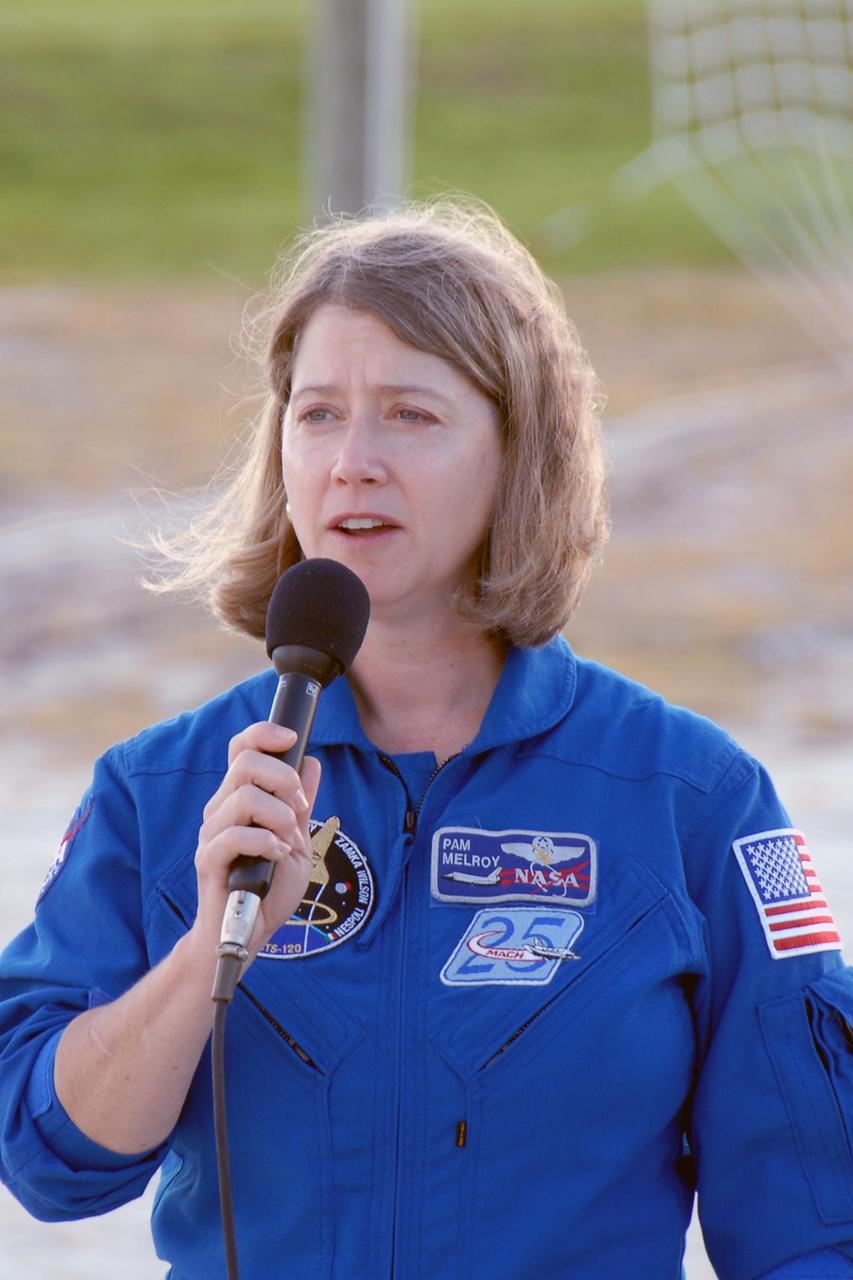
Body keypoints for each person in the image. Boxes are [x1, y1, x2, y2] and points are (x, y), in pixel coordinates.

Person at [1, 199, 852, 1280]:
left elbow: (810, 1230)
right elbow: (50, 1162)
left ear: (518, 452)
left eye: (409, 413)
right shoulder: (161, 790)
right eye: (318, 413)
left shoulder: (689, 796)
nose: (352, 462)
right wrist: (210, 942)